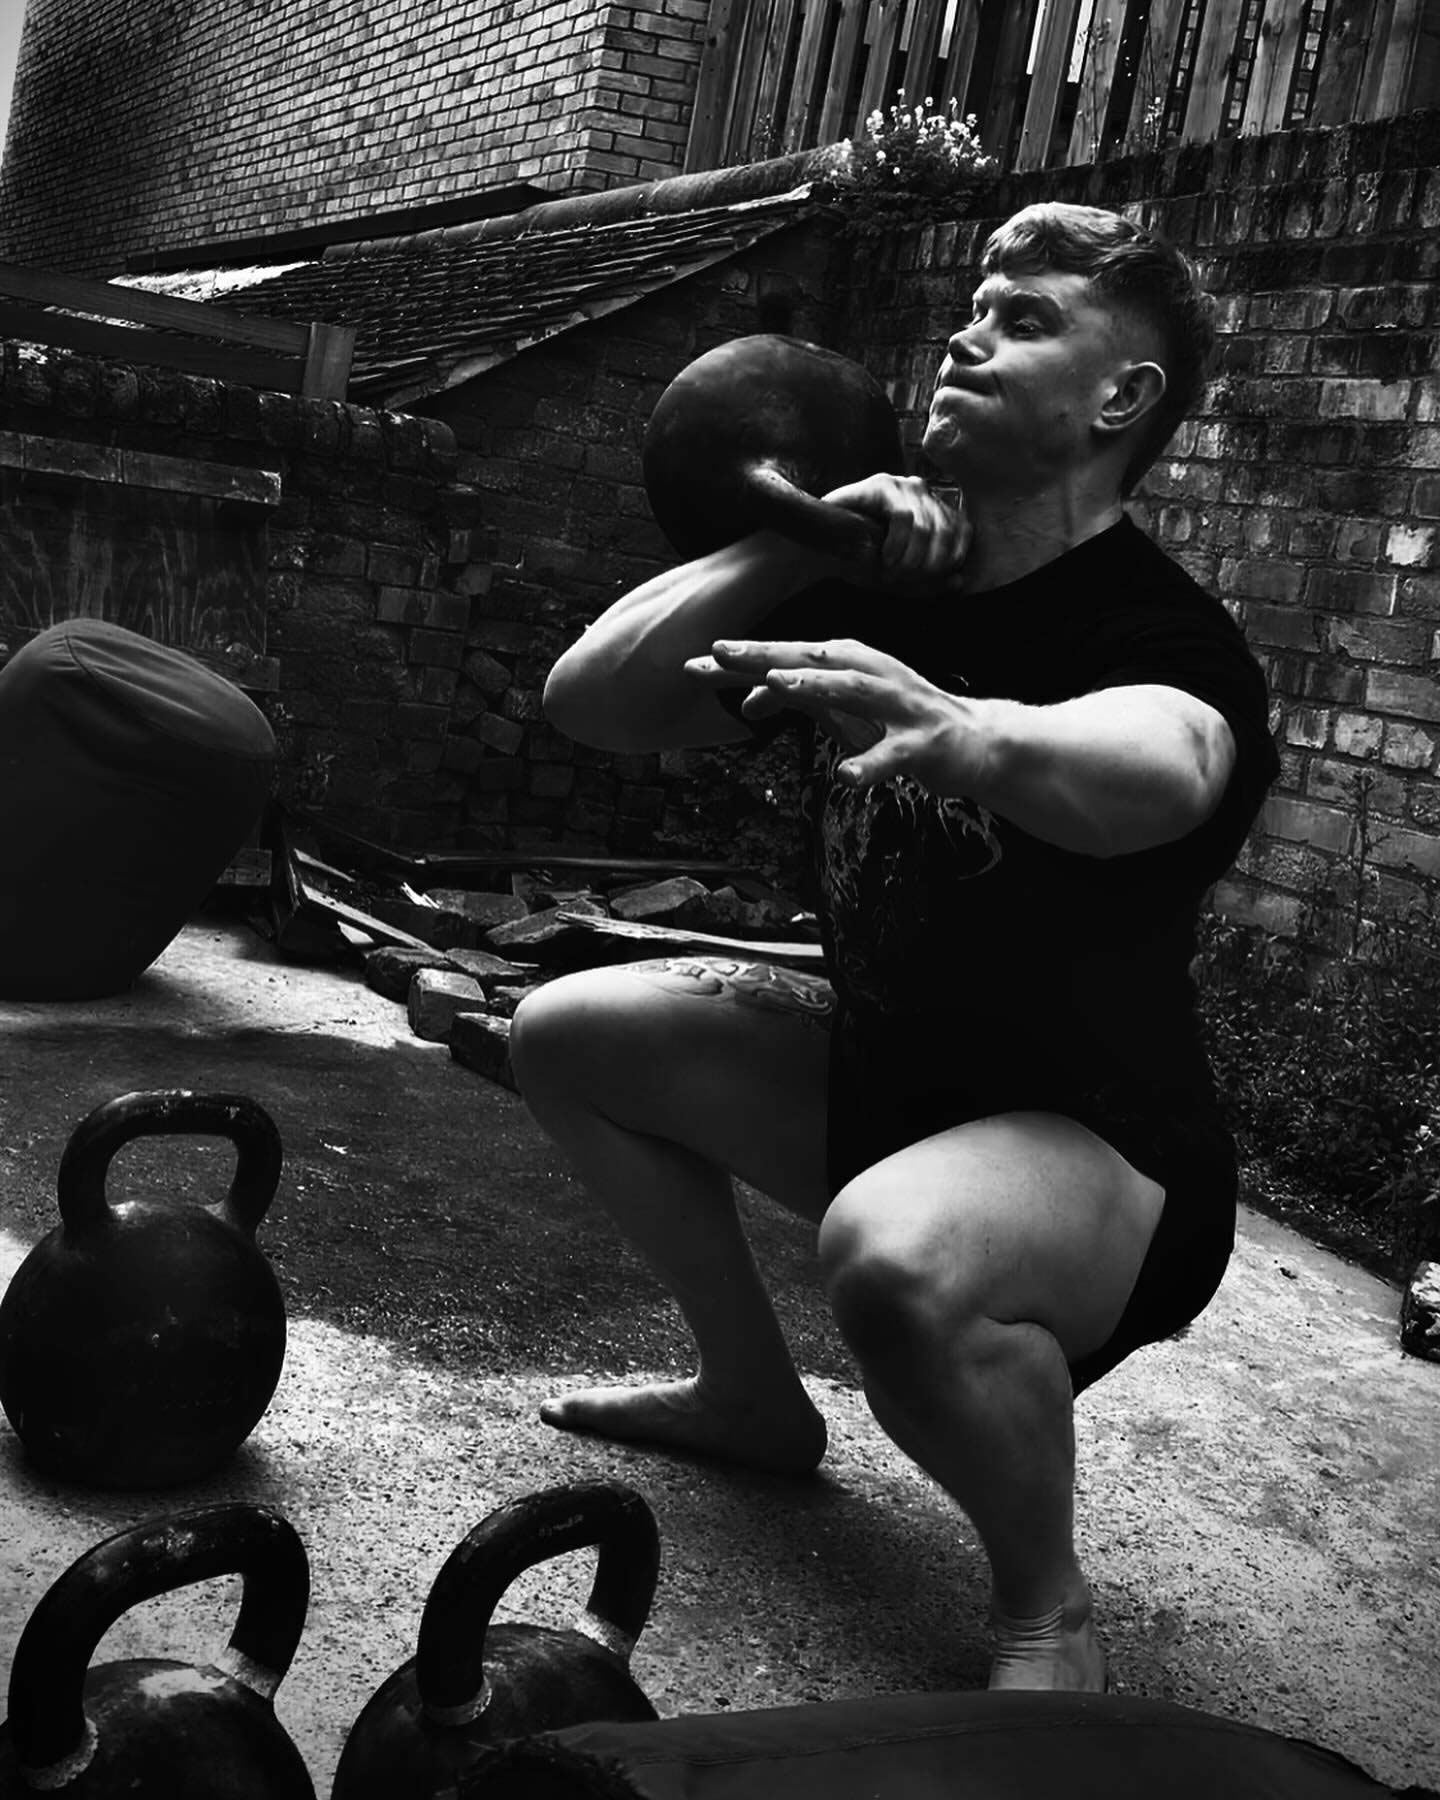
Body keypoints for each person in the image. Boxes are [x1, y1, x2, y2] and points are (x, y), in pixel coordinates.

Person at [509, 202, 1280, 1694]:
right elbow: (592, 701)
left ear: (1122, 400)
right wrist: (799, 540)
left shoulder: (1160, 634)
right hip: (889, 1083)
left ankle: (1048, 1604)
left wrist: (959, 728)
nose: (970, 332)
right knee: (570, 1033)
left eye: (1029, 316)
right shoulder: (876, 575)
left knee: (894, 1259)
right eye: (975, 305)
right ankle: (751, 1399)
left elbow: (1170, 764)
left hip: (1102, 1160)